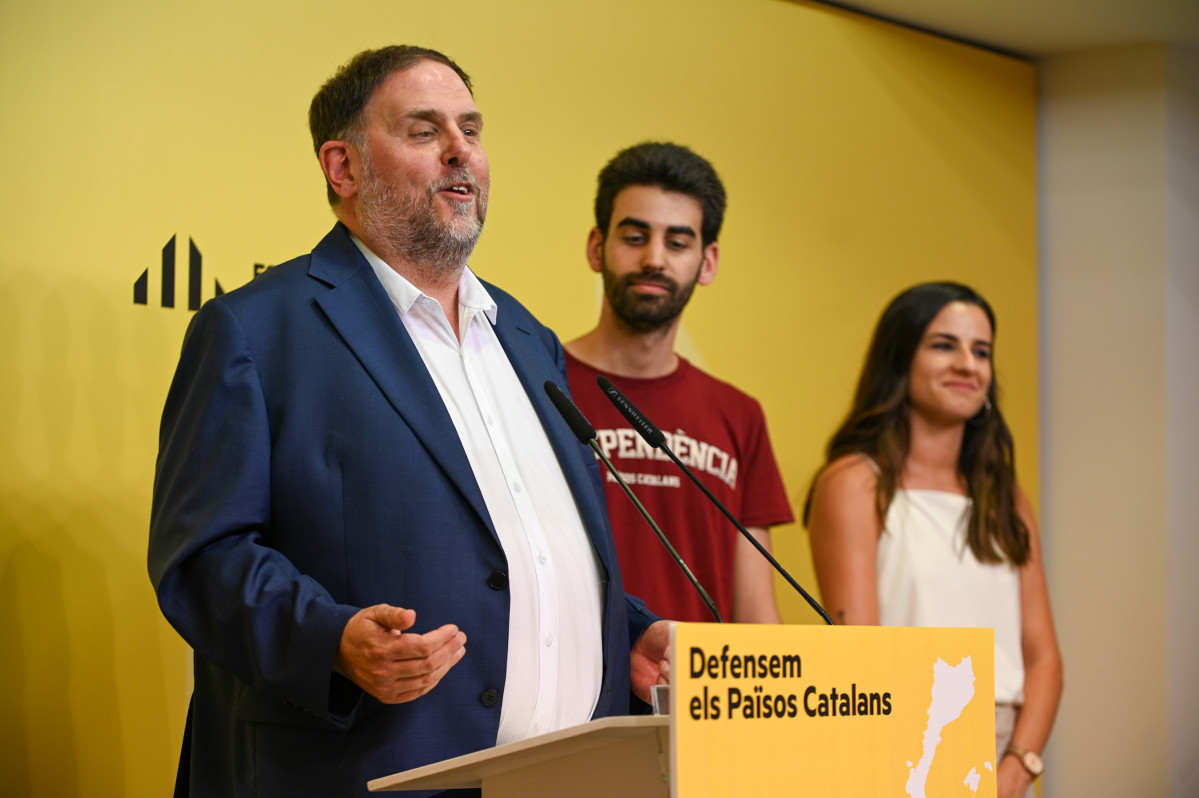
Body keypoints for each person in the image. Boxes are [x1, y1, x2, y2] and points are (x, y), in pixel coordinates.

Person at [147, 45, 669, 798]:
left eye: (471, 129)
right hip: (360, 773)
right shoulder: (257, 331)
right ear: (343, 167)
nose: (461, 152)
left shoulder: (526, 338)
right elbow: (202, 557)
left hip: (565, 777)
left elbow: (525, 552)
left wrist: (624, 635)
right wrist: (330, 639)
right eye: (424, 132)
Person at [804, 282, 1063, 798]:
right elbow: (861, 658)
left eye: (981, 351)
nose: (968, 364)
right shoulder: (855, 483)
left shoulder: (1007, 498)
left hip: (1005, 750)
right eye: (945, 345)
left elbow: (1043, 657)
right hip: (903, 745)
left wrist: (1018, 767)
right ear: (900, 359)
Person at [565, 142, 793, 624]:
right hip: (575, 693)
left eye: (677, 242)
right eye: (634, 237)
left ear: (707, 262)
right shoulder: (540, 384)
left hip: (700, 692)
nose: (654, 259)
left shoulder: (739, 415)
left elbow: (755, 610)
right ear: (596, 247)